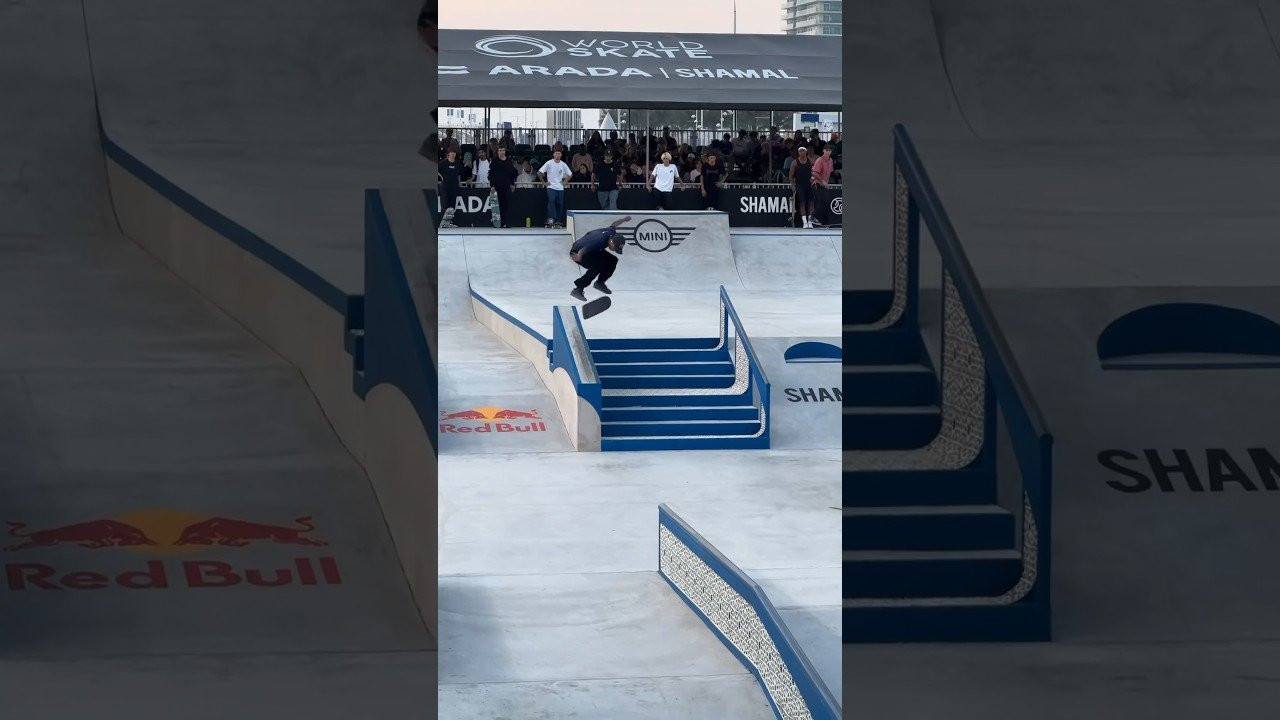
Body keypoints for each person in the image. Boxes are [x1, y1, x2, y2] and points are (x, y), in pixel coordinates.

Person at [568, 216, 630, 301]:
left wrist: (623, 220)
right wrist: (579, 255)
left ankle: (600, 283)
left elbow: (614, 224)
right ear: (612, 242)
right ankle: (578, 289)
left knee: (613, 260)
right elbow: (586, 248)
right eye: (615, 248)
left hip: (593, 250)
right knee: (599, 264)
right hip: (578, 252)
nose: (613, 250)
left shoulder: (611, 232)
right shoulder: (599, 240)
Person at [539, 150, 572, 228]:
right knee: (552, 200)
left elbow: (570, 174)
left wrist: (565, 182)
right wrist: (544, 183)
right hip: (551, 186)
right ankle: (551, 218)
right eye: (556, 153)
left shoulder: (563, 164)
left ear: (561, 155)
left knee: (559, 204)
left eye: (559, 153)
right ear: (553, 154)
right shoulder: (549, 163)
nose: (557, 155)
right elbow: (539, 173)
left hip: (560, 187)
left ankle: (558, 221)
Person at [489, 146, 518, 228]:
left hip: (506, 185)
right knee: (499, 204)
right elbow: (491, 173)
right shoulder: (494, 160)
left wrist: (512, 184)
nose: (501, 152)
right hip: (497, 185)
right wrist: (492, 185)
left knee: (506, 203)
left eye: (503, 150)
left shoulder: (508, 161)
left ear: (505, 151)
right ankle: (499, 222)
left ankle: (505, 222)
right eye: (500, 150)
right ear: (497, 152)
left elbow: (511, 173)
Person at [790, 146, 816, 228]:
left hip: (809, 185)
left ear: (806, 152)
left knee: (811, 203)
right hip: (800, 185)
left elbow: (815, 172)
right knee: (802, 203)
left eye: (803, 151)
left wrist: (814, 179)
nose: (802, 152)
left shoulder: (811, 161)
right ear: (798, 152)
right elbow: (790, 176)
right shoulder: (795, 162)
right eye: (800, 151)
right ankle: (804, 222)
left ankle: (810, 222)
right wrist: (792, 185)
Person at [438, 148, 463, 228]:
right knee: (444, 205)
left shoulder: (457, 163)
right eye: (451, 152)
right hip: (445, 187)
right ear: (448, 154)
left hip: (454, 186)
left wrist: (459, 183)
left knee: (452, 206)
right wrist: (441, 177)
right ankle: (442, 222)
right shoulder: (443, 163)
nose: (453, 154)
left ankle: (450, 222)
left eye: (454, 152)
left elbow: (459, 174)